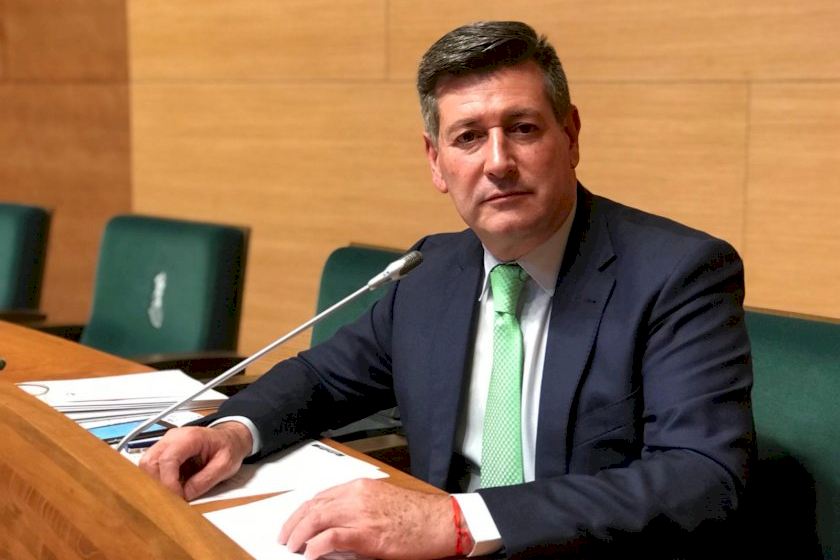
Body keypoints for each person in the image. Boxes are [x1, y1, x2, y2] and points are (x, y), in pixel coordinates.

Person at [140, 21, 754, 559]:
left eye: (522, 128)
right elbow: (324, 379)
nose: (498, 162)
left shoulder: (678, 273)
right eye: (468, 137)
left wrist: (457, 521)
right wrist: (232, 432)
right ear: (436, 162)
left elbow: (701, 476)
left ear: (570, 136)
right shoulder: (432, 270)